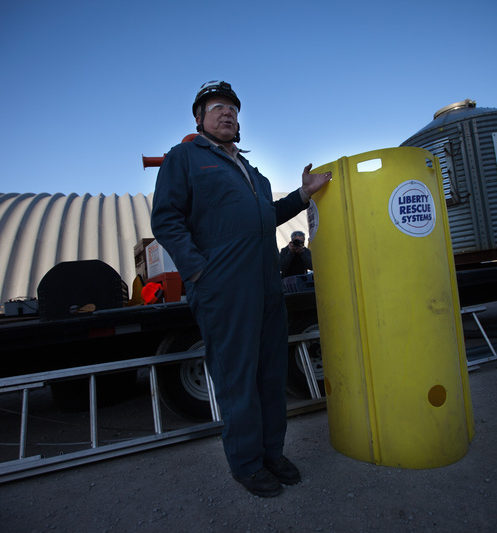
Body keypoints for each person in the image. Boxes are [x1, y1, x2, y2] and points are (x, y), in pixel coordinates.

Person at [150, 81, 331, 497]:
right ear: (199, 119)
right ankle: (247, 464)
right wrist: (200, 272)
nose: (227, 113)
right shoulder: (185, 158)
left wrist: (303, 194)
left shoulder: (253, 172)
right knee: (238, 380)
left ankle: (271, 453)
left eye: (232, 108)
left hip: (267, 287)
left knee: (270, 375)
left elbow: (267, 215)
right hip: (223, 288)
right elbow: (166, 219)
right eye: (216, 107)